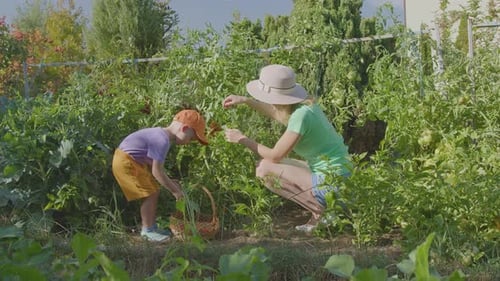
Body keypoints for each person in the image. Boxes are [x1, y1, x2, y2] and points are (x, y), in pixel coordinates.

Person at [222, 64, 352, 232]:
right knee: (277, 163)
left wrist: (241, 139)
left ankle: (322, 212)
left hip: (332, 183)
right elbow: (277, 114)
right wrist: (246, 101)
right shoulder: (305, 106)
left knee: (264, 169)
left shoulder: (300, 117)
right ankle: (325, 212)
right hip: (341, 176)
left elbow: (275, 155)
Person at [112, 109, 208, 242]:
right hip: (126, 162)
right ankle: (147, 230)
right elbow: (156, 171)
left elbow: (156, 168)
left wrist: (170, 181)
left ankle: (151, 227)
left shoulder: (160, 135)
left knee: (153, 190)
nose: (189, 142)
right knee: (151, 193)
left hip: (131, 161)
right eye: (191, 138)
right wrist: (175, 191)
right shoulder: (162, 140)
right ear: (184, 128)